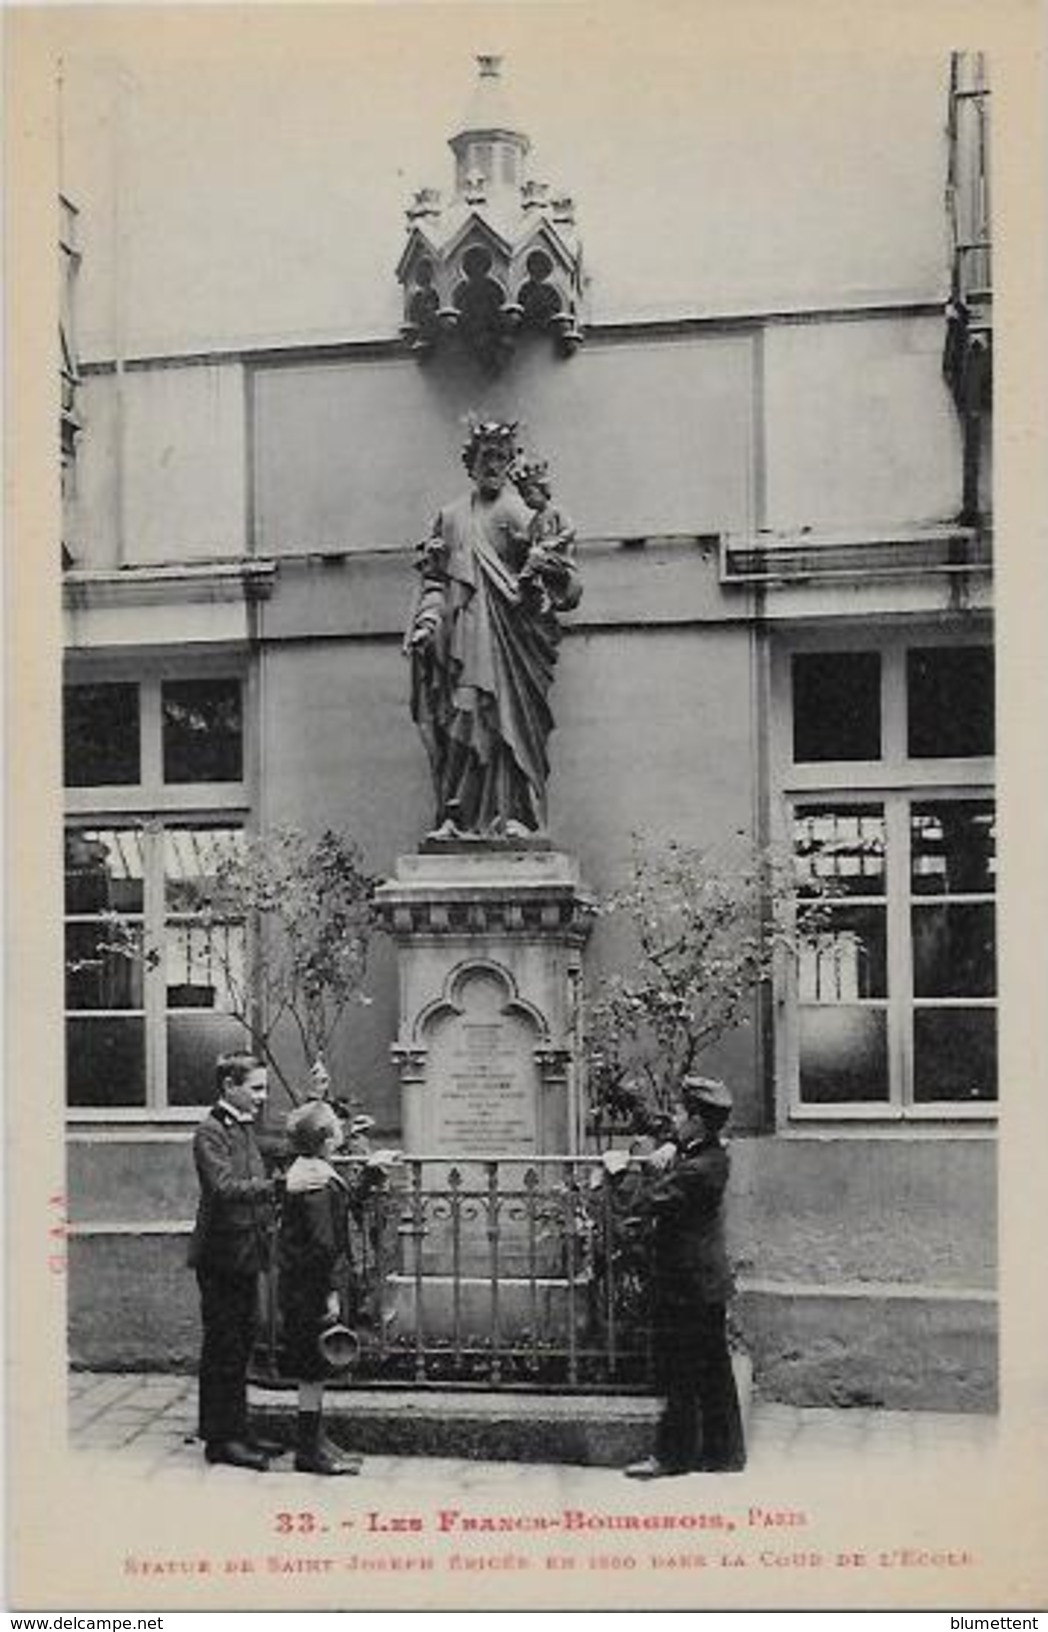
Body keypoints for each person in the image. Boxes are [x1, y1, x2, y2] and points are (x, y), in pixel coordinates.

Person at [405, 418, 582, 839]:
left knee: (510, 724)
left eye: (501, 458)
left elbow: (567, 584)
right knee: (462, 720)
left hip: (513, 644)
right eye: (486, 457)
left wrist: (549, 572)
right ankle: (457, 815)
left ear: (510, 462)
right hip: (463, 638)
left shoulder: (526, 512)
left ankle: (517, 813)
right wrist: (428, 622)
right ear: (471, 462)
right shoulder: (449, 518)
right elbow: (435, 581)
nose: (493, 465)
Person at [624, 1075, 747, 1478]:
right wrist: (673, 1143)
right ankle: (723, 1455)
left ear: (696, 1120)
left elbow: (647, 1202)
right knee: (713, 1368)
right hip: (704, 1283)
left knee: (679, 1369)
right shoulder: (708, 1152)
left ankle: (672, 1458)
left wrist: (628, 1169)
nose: (674, 1117)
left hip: (688, 1285)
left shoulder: (699, 1170)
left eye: (680, 1113)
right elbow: (669, 1132)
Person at [278, 1100, 396, 1475]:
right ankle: (309, 1451)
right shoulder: (313, 1183)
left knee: (316, 1366)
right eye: (336, 1126)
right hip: (310, 1288)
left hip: (310, 1285)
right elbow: (322, 1244)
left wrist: (372, 1175)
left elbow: (343, 1208)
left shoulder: (317, 1172)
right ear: (328, 1139)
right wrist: (329, 1292)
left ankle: (316, 1441)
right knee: (312, 1367)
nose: (343, 1130)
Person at [187, 1052, 280, 1471]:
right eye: (255, 1088)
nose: (262, 1097)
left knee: (241, 1341)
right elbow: (223, 1188)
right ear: (229, 1086)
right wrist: (277, 1187)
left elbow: (275, 1150)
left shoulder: (242, 1127)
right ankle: (220, 1440)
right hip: (221, 1255)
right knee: (223, 1346)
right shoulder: (210, 1131)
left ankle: (238, 1430)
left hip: (244, 1252)